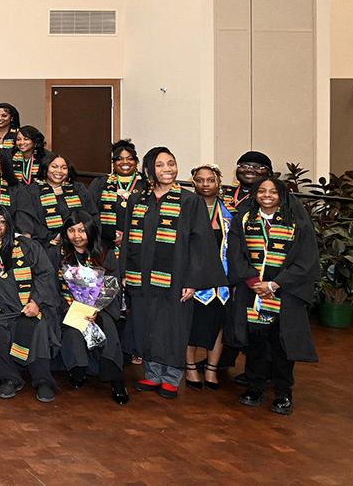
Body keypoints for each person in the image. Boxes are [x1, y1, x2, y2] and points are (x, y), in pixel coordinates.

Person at [120, 146, 223, 399]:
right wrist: (125, 271)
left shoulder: (190, 201)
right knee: (146, 324)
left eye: (171, 164)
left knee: (173, 326)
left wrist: (192, 280)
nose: (168, 169)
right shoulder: (137, 199)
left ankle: (171, 377)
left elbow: (201, 244)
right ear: (149, 170)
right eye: (160, 165)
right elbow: (127, 240)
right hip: (141, 275)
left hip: (176, 277)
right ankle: (153, 374)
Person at [226, 177, 319, 415]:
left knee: (283, 345)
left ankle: (283, 393)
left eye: (273, 191)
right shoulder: (244, 220)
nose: (267, 195)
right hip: (253, 291)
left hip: (286, 293)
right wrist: (255, 282)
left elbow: (306, 260)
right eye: (262, 191)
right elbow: (235, 255)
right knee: (255, 342)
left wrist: (276, 284)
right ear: (255, 194)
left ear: (282, 195)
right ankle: (255, 388)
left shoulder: (297, 222)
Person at [0, 204, 60, 402]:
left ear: (8, 224)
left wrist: (36, 301)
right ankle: (10, 378)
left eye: (1, 221)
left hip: (25, 306)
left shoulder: (26, 245)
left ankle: (43, 381)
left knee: (38, 326)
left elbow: (46, 273)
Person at [53, 211, 128, 404]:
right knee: (72, 329)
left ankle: (117, 380)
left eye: (82, 230)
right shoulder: (56, 254)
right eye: (71, 230)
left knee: (109, 327)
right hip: (67, 309)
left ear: (91, 231)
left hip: (99, 309)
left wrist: (97, 309)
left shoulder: (105, 254)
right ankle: (78, 370)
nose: (76, 236)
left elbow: (113, 286)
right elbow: (50, 287)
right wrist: (67, 307)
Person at [187, 163, 235, 389]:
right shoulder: (185, 208)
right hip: (194, 279)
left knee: (218, 325)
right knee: (192, 324)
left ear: (219, 183)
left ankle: (212, 370)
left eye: (210, 180)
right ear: (193, 183)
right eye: (200, 180)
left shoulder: (230, 213)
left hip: (222, 280)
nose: (205, 184)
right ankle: (190, 368)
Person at [30, 153, 96, 249]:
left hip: (79, 245)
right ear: (46, 168)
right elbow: (30, 221)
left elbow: (92, 215)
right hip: (46, 246)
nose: (59, 171)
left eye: (64, 168)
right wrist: (53, 236)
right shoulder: (32, 191)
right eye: (54, 167)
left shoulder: (78, 189)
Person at [89, 139, 145, 247]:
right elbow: (91, 213)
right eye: (119, 159)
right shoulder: (101, 183)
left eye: (130, 159)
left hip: (139, 244)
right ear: (113, 163)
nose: (125, 162)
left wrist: (128, 235)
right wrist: (110, 234)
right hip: (106, 244)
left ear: (136, 162)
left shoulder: (146, 184)